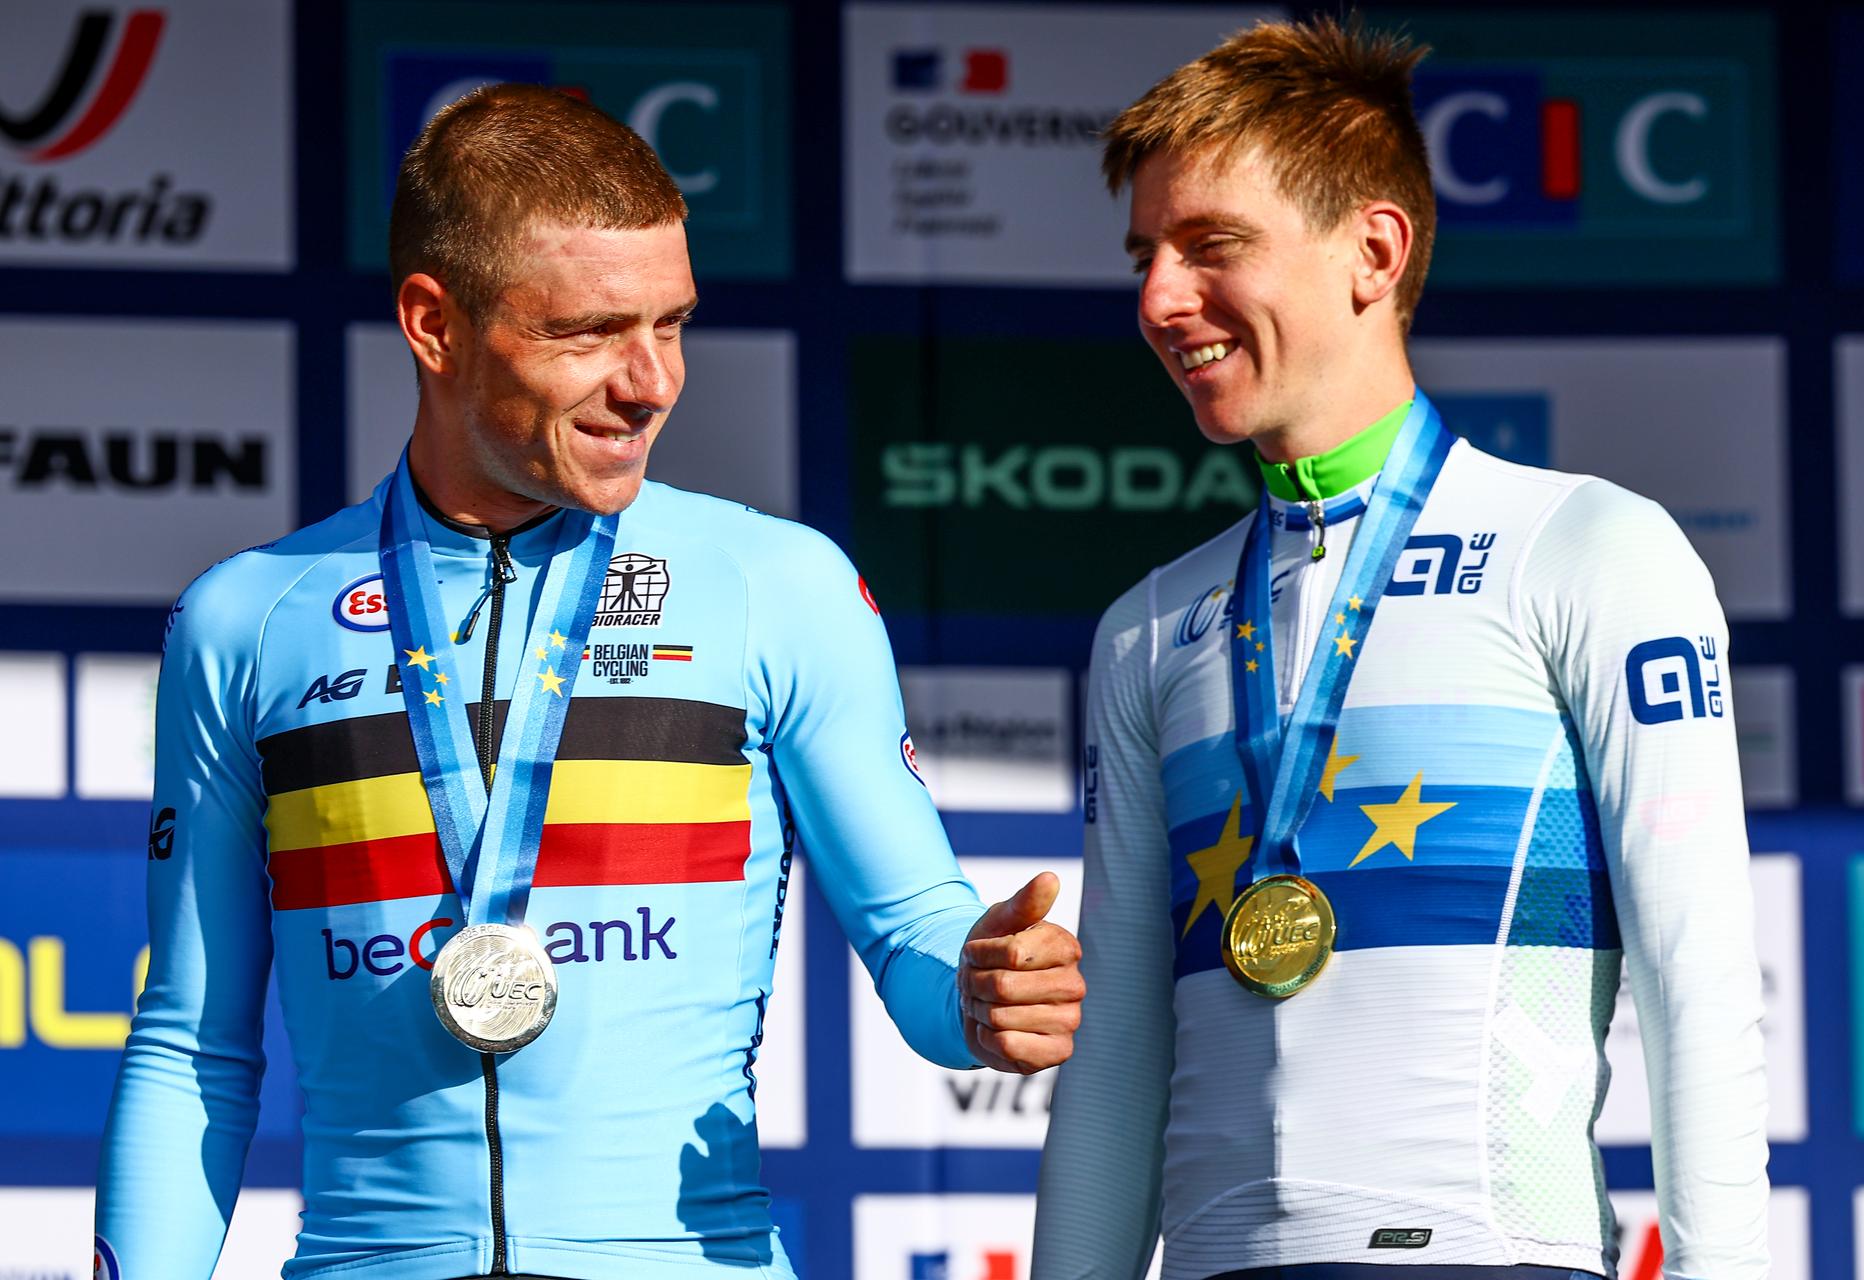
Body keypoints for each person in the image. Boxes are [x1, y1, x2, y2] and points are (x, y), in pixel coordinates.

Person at [95, 84, 1084, 1280]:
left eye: (672, 324)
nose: (652, 380)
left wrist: (979, 994)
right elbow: (194, 1044)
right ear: (433, 323)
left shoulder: (777, 582)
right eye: (590, 332)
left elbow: (915, 932)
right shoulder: (249, 616)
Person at [1033, 16, 1767, 1280]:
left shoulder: (1587, 547)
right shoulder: (1150, 624)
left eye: (1211, 247)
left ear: (1374, 250)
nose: (1160, 298)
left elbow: (1698, 977)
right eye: (1147, 254)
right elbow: (1114, 1058)